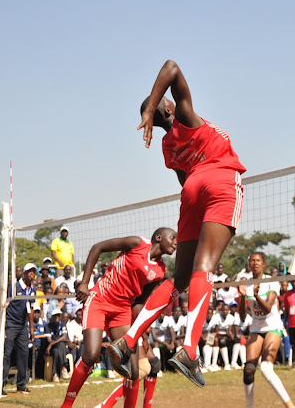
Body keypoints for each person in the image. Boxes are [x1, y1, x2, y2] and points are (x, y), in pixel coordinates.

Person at [107, 60, 246, 388]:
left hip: (192, 190)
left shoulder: (168, 147)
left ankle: (128, 340)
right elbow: (171, 66)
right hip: (220, 179)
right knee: (206, 268)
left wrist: (151, 112)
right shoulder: (184, 116)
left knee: (181, 277)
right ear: (167, 108)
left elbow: (186, 185)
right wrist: (151, 107)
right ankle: (189, 349)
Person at [60, 228, 177, 407]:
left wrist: (141, 331)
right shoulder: (137, 244)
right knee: (91, 355)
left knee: (134, 370)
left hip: (122, 310)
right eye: (173, 238)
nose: (176, 242)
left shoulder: (160, 271)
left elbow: (139, 302)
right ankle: (67, 405)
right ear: (159, 238)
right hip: (99, 299)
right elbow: (97, 247)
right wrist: (84, 283)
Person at [239, 252, 295, 408]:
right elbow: (243, 316)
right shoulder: (247, 284)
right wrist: (243, 297)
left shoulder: (271, 281)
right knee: (249, 369)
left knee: (265, 368)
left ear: (264, 264)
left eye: (258, 260)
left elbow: (268, 309)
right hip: (256, 328)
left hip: (272, 327)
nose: (255, 263)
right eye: (252, 261)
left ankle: (290, 406)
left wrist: (257, 297)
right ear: (249, 264)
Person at [2, 262, 37, 394]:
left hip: (23, 326)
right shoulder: (14, 288)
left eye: (34, 272)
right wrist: (4, 327)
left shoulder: (32, 289)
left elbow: (31, 309)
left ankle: (21, 384)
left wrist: (31, 329)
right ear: (24, 273)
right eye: (30, 272)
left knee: (24, 354)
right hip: (11, 324)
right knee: (7, 354)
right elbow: (4, 306)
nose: (32, 274)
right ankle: (1, 385)